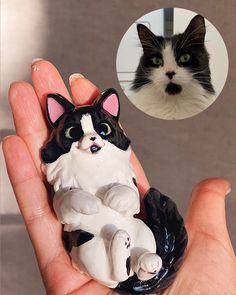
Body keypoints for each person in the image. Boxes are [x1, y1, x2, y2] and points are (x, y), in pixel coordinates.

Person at [3, 59, 236, 295]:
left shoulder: (120, 170)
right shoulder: (65, 182)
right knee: (87, 251)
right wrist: (75, 201)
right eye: (76, 133)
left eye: (101, 130)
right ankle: (119, 271)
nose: (92, 138)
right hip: (90, 236)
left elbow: (131, 201)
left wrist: (125, 195)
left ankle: (140, 265)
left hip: (127, 230)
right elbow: (63, 208)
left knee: (140, 231)